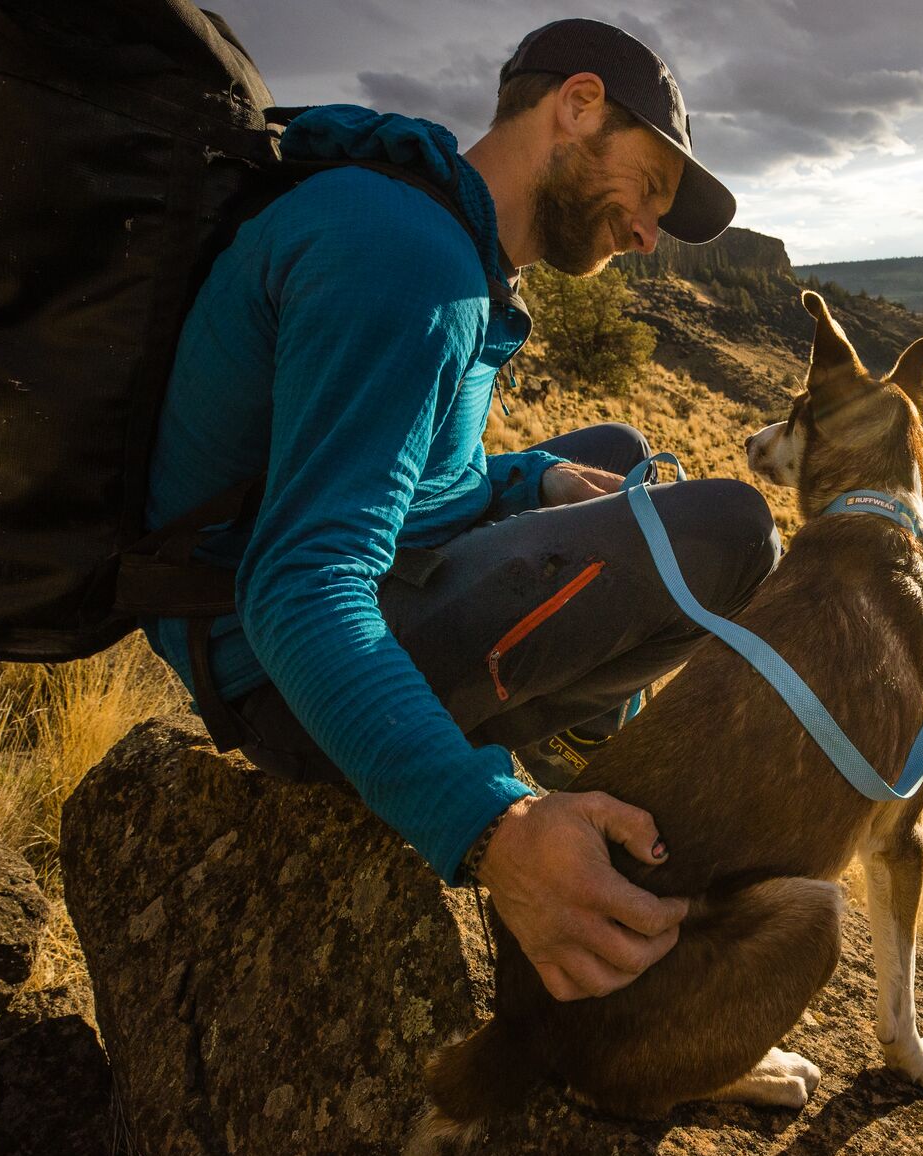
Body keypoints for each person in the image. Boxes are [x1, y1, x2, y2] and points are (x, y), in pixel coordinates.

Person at [140, 19, 778, 1003]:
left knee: (615, 454)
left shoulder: (437, 238)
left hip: (278, 610)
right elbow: (301, 588)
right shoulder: (408, 263)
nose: (647, 233)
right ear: (577, 106)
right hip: (280, 682)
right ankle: (584, 827)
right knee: (731, 534)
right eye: (647, 187)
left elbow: (408, 477)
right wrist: (490, 826)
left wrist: (530, 484)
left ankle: (585, 765)